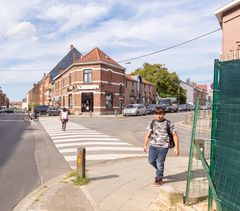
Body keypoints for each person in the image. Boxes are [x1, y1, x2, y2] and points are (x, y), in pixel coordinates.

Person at [144, 107, 179, 186]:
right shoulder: (152, 122)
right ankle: (160, 170)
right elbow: (148, 134)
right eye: (157, 114)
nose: (159, 116)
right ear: (154, 115)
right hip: (153, 146)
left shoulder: (168, 123)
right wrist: (145, 145)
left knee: (159, 162)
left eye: (160, 114)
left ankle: (159, 178)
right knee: (151, 161)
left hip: (163, 147)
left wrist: (177, 148)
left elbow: (175, 135)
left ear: (164, 114)